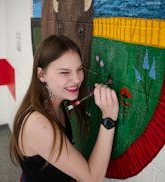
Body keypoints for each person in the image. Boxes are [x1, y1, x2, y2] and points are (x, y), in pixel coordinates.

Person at [9, 34, 119, 182]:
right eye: (65, 72)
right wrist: (108, 119)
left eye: (79, 69)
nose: (77, 79)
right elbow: (92, 178)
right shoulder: (38, 124)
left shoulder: (59, 104)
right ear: (42, 75)